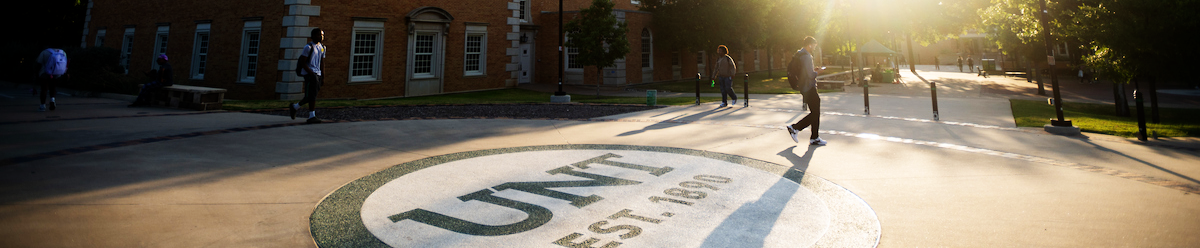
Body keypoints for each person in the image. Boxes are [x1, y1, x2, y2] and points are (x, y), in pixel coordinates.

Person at [785, 36, 827, 146]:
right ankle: (795, 128)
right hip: (809, 87)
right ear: (809, 45)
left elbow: (805, 71)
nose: (814, 48)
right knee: (815, 113)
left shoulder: (799, 54)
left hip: (803, 87)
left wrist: (814, 70)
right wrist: (819, 72)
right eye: (814, 45)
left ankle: (815, 137)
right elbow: (810, 75)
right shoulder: (807, 56)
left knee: (815, 111)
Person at [290, 28, 326, 124]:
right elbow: (303, 62)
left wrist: (323, 76)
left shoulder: (322, 47)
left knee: (312, 95)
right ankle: (311, 116)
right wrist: (311, 73)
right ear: (313, 35)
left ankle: (295, 107)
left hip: (317, 74)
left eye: (322, 35)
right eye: (319, 35)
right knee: (311, 95)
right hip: (310, 74)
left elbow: (322, 62)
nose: (321, 37)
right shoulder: (308, 47)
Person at [36, 47, 69, 111]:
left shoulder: (45, 52)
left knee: (44, 89)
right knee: (53, 88)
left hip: (45, 73)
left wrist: (36, 73)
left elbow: (38, 63)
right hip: (57, 73)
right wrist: (67, 73)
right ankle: (52, 99)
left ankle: (42, 106)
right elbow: (65, 64)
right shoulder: (62, 52)